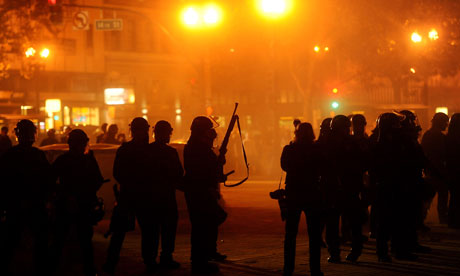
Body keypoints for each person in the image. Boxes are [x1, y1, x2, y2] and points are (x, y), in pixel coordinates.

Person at [104, 118, 157, 274]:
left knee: (121, 233)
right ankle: (149, 261)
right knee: (147, 231)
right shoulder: (147, 151)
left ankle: (111, 262)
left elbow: (118, 173)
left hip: (130, 195)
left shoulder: (126, 149)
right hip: (139, 196)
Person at [0, 120, 53, 275]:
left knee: (10, 242)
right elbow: (48, 180)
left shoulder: (9, 156)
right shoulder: (38, 155)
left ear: (18, 134)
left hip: (16, 206)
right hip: (34, 205)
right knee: (40, 242)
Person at [50, 129, 104, 276]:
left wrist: (62, 194)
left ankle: (53, 267)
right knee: (85, 240)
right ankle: (88, 268)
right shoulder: (88, 160)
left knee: (60, 239)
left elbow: (49, 181)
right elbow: (98, 180)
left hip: (66, 204)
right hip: (82, 204)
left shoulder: (63, 160)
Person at [184, 116, 227, 274]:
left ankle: (204, 256)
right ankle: (199, 261)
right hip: (199, 191)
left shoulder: (198, 146)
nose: (212, 133)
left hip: (201, 190)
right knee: (201, 226)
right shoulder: (197, 148)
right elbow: (204, 170)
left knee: (206, 224)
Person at [281, 122, 323, 276]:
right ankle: (315, 269)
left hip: (294, 192)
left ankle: (288, 268)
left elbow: (284, 166)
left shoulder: (289, 149)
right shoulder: (317, 149)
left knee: (290, 234)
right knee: (314, 235)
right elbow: (322, 167)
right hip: (312, 192)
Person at [322, 115, 365, 263]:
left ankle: (338, 253)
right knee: (350, 223)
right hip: (342, 188)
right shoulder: (350, 143)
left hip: (339, 189)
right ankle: (350, 251)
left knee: (337, 223)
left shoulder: (329, 143)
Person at [148, 120, 184, 269]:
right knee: (168, 229)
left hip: (151, 198)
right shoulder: (170, 152)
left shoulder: (147, 151)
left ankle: (150, 260)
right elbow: (178, 173)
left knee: (152, 230)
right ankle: (166, 257)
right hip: (166, 197)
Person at [421, 113, 449, 224]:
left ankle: (421, 219)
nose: (446, 125)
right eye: (445, 123)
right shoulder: (441, 137)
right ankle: (442, 219)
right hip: (438, 171)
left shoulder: (428, 135)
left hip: (431, 171)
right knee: (440, 197)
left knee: (427, 198)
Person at [447, 113, 460, 229]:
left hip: (452, 171)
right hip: (456, 171)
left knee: (455, 197)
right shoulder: (455, 138)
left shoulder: (448, 138)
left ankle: (452, 220)